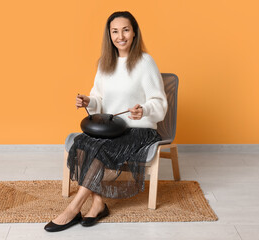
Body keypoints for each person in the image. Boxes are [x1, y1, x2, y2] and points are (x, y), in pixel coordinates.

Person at [44, 11, 167, 232]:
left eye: (126, 30)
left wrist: (145, 110)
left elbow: (159, 103)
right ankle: (99, 203)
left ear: (134, 33)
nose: (121, 36)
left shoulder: (145, 62)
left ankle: (73, 208)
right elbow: (99, 100)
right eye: (115, 31)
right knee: (82, 143)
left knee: (100, 149)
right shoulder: (105, 63)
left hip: (139, 131)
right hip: (112, 130)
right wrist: (87, 101)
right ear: (109, 35)